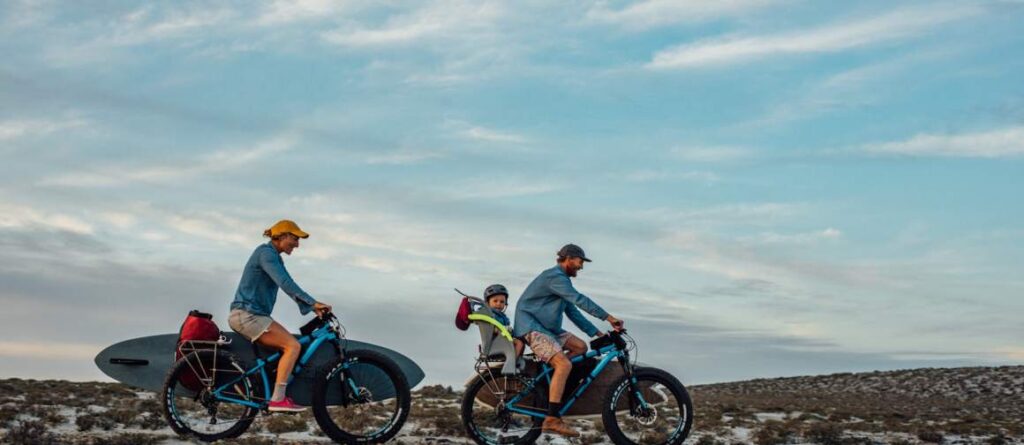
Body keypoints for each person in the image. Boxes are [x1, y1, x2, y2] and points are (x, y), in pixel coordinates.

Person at [512, 244, 624, 437]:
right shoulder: (554, 277)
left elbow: (574, 313)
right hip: (532, 327)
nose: (581, 266)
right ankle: (552, 419)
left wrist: (598, 334)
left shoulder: (562, 283)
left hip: (547, 330)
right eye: (580, 261)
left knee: (580, 347)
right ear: (569, 258)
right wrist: (609, 317)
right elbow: (580, 299)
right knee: (563, 364)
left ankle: (552, 380)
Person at [228, 219, 332, 413]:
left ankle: (264, 387)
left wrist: (311, 307)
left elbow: (287, 283)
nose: (297, 244)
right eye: (295, 239)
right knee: (292, 346)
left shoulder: (273, 256)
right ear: (282, 236)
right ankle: (278, 399)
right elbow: (285, 282)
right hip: (248, 315)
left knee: (286, 348)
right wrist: (312, 303)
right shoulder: (266, 254)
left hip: (254, 315)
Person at [482, 284, 524, 357]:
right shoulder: (490, 316)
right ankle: (513, 360)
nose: (498, 304)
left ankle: (517, 357)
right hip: (495, 342)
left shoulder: (502, 317)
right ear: (487, 303)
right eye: (495, 301)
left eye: (502, 302)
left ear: (505, 303)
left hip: (502, 340)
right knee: (519, 343)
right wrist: (502, 330)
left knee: (522, 338)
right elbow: (490, 328)